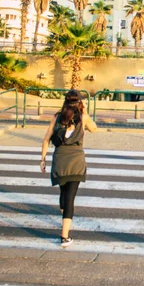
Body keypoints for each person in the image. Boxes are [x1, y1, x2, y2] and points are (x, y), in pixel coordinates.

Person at [41, 89, 98, 247]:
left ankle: (64, 217)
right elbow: (94, 128)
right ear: (79, 102)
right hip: (76, 162)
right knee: (70, 198)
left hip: (60, 161)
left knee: (63, 192)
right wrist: (85, 111)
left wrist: (43, 159)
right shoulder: (83, 118)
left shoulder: (57, 117)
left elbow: (46, 140)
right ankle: (65, 237)